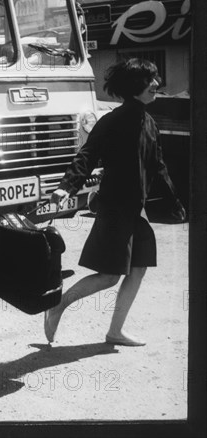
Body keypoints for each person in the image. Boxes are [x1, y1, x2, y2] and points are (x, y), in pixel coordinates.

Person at [44, 58, 186, 347]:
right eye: (149, 81)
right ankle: (58, 305)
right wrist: (66, 187)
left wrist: (175, 204)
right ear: (134, 86)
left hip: (136, 210)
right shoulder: (113, 119)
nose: (156, 84)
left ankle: (115, 332)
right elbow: (87, 154)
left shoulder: (148, 122)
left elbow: (158, 166)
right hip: (115, 208)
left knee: (139, 268)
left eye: (156, 78)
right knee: (110, 275)